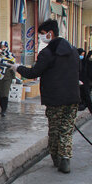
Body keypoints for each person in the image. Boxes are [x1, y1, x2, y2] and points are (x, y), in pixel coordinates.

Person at [12, 19, 80, 174]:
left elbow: (34, 73)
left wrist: (18, 67)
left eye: (42, 34)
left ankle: (57, 159)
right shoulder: (73, 51)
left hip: (55, 99)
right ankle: (65, 158)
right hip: (72, 97)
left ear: (50, 33)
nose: (41, 38)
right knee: (67, 129)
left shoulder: (47, 53)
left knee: (55, 130)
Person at [0, 41, 16, 116]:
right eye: (1, 46)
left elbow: (13, 67)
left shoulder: (11, 55)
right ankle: (2, 108)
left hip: (7, 77)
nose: (2, 48)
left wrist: (13, 77)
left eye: (4, 46)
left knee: (4, 94)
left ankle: (4, 110)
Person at [77, 48, 92, 116]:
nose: (82, 56)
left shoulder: (85, 62)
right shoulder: (76, 62)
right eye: (81, 54)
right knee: (84, 96)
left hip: (84, 82)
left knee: (86, 96)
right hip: (78, 82)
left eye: (83, 54)